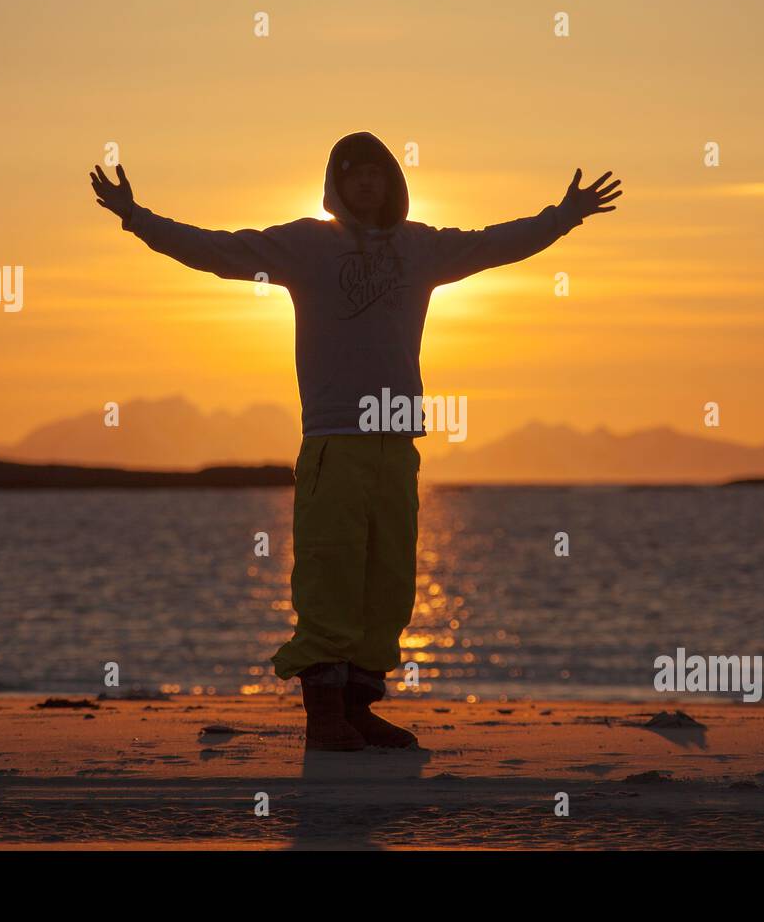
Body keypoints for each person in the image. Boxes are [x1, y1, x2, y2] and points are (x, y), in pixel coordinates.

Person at [90, 131, 619, 751]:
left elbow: (492, 244)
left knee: (388, 579)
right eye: (354, 172)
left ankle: (359, 705)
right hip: (335, 440)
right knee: (332, 572)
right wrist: (136, 218)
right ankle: (323, 716)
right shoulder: (305, 245)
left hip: (396, 440)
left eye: (377, 172)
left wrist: (563, 217)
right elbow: (217, 251)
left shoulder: (419, 248)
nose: (367, 182)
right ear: (335, 185)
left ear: (393, 183)